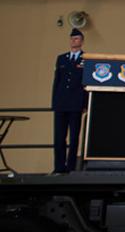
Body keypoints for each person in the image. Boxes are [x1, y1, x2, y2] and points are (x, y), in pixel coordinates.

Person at [52, 28, 88, 173]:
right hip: (61, 103)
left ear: (82, 41)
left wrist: (85, 103)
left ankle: (70, 167)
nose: (74, 41)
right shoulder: (62, 58)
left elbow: (86, 82)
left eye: (77, 38)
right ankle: (59, 167)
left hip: (76, 103)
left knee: (74, 138)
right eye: (72, 38)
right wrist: (54, 101)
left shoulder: (86, 58)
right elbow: (57, 81)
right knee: (59, 137)